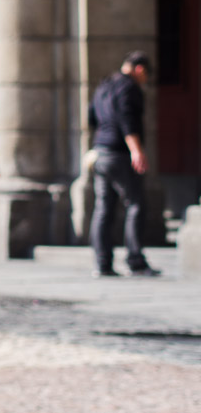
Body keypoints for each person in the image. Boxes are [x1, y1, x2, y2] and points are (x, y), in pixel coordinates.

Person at [88, 51, 160, 278]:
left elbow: (92, 118)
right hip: (119, 154)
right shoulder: (129, 87)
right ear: (140, 69)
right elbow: (127, 119)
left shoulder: (104, 86)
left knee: (103, 209)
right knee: (136, 204)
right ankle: (135, 261)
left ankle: (102, 263)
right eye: (146, 76)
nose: (144, 81)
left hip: (100, 153)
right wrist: (136, 150)